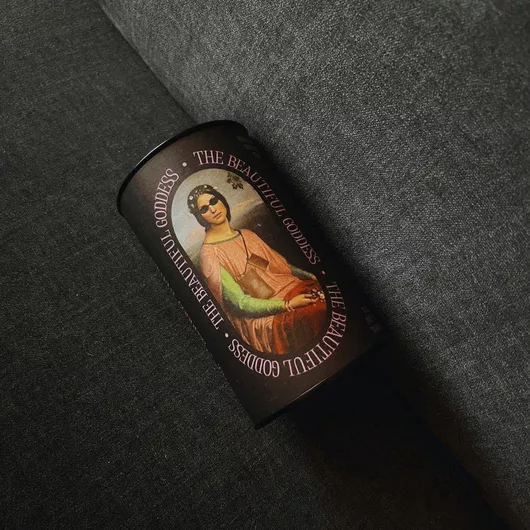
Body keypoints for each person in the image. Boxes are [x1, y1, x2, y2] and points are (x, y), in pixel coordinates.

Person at [187, 184, 327, 354]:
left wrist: (312, 276)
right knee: (320, 311)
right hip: (267, 312)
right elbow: (241, 304)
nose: (213, 209)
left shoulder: (247, 235)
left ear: (221, 200)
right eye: (204, 209)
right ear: (200, 218)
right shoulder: (210, 255)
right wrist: (288, 305)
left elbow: (282, 267)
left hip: (291, 288)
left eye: (213, 201)